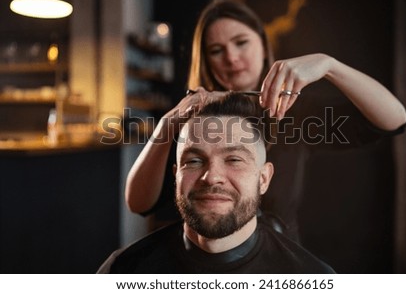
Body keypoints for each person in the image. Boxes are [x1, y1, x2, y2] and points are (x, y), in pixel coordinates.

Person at [125, 0, 406, 242]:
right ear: (206, 60)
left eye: (241, 43)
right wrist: (168, 124)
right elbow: (139, 203)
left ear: (263, 44)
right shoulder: (192, 119)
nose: (231, 58)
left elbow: (394, 120)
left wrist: (329, 65)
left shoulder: (296, 112)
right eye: (216, 50)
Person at [98, 94, 335, 273]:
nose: (211, 177)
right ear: (176, 175)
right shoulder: (122, 270)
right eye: (193, 161)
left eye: (233, 159)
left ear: (263, 179)